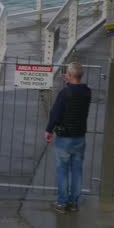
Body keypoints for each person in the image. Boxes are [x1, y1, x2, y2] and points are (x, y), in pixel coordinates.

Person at [45, 62, 92, 213]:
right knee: (77, 171)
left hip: (64, 137)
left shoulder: (65, 93)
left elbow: (56, 113)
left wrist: (49, 130)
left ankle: (62, 203)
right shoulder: (87, 92)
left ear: (70, 75)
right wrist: (70, 80)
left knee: (62, 171)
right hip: (80, 137)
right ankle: (74, 202)